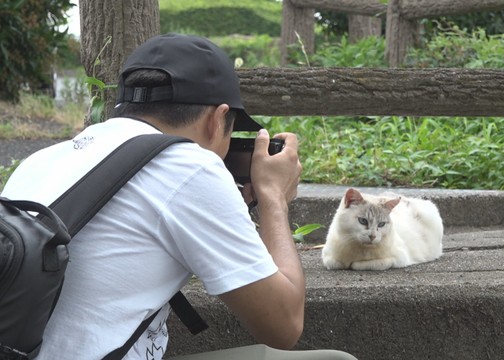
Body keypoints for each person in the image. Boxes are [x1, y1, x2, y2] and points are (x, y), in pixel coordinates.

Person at [1, 33, 357, 360]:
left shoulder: (43, 159)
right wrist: (273, 198)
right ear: (218, 120)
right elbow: (283, 324)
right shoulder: (190, 166)